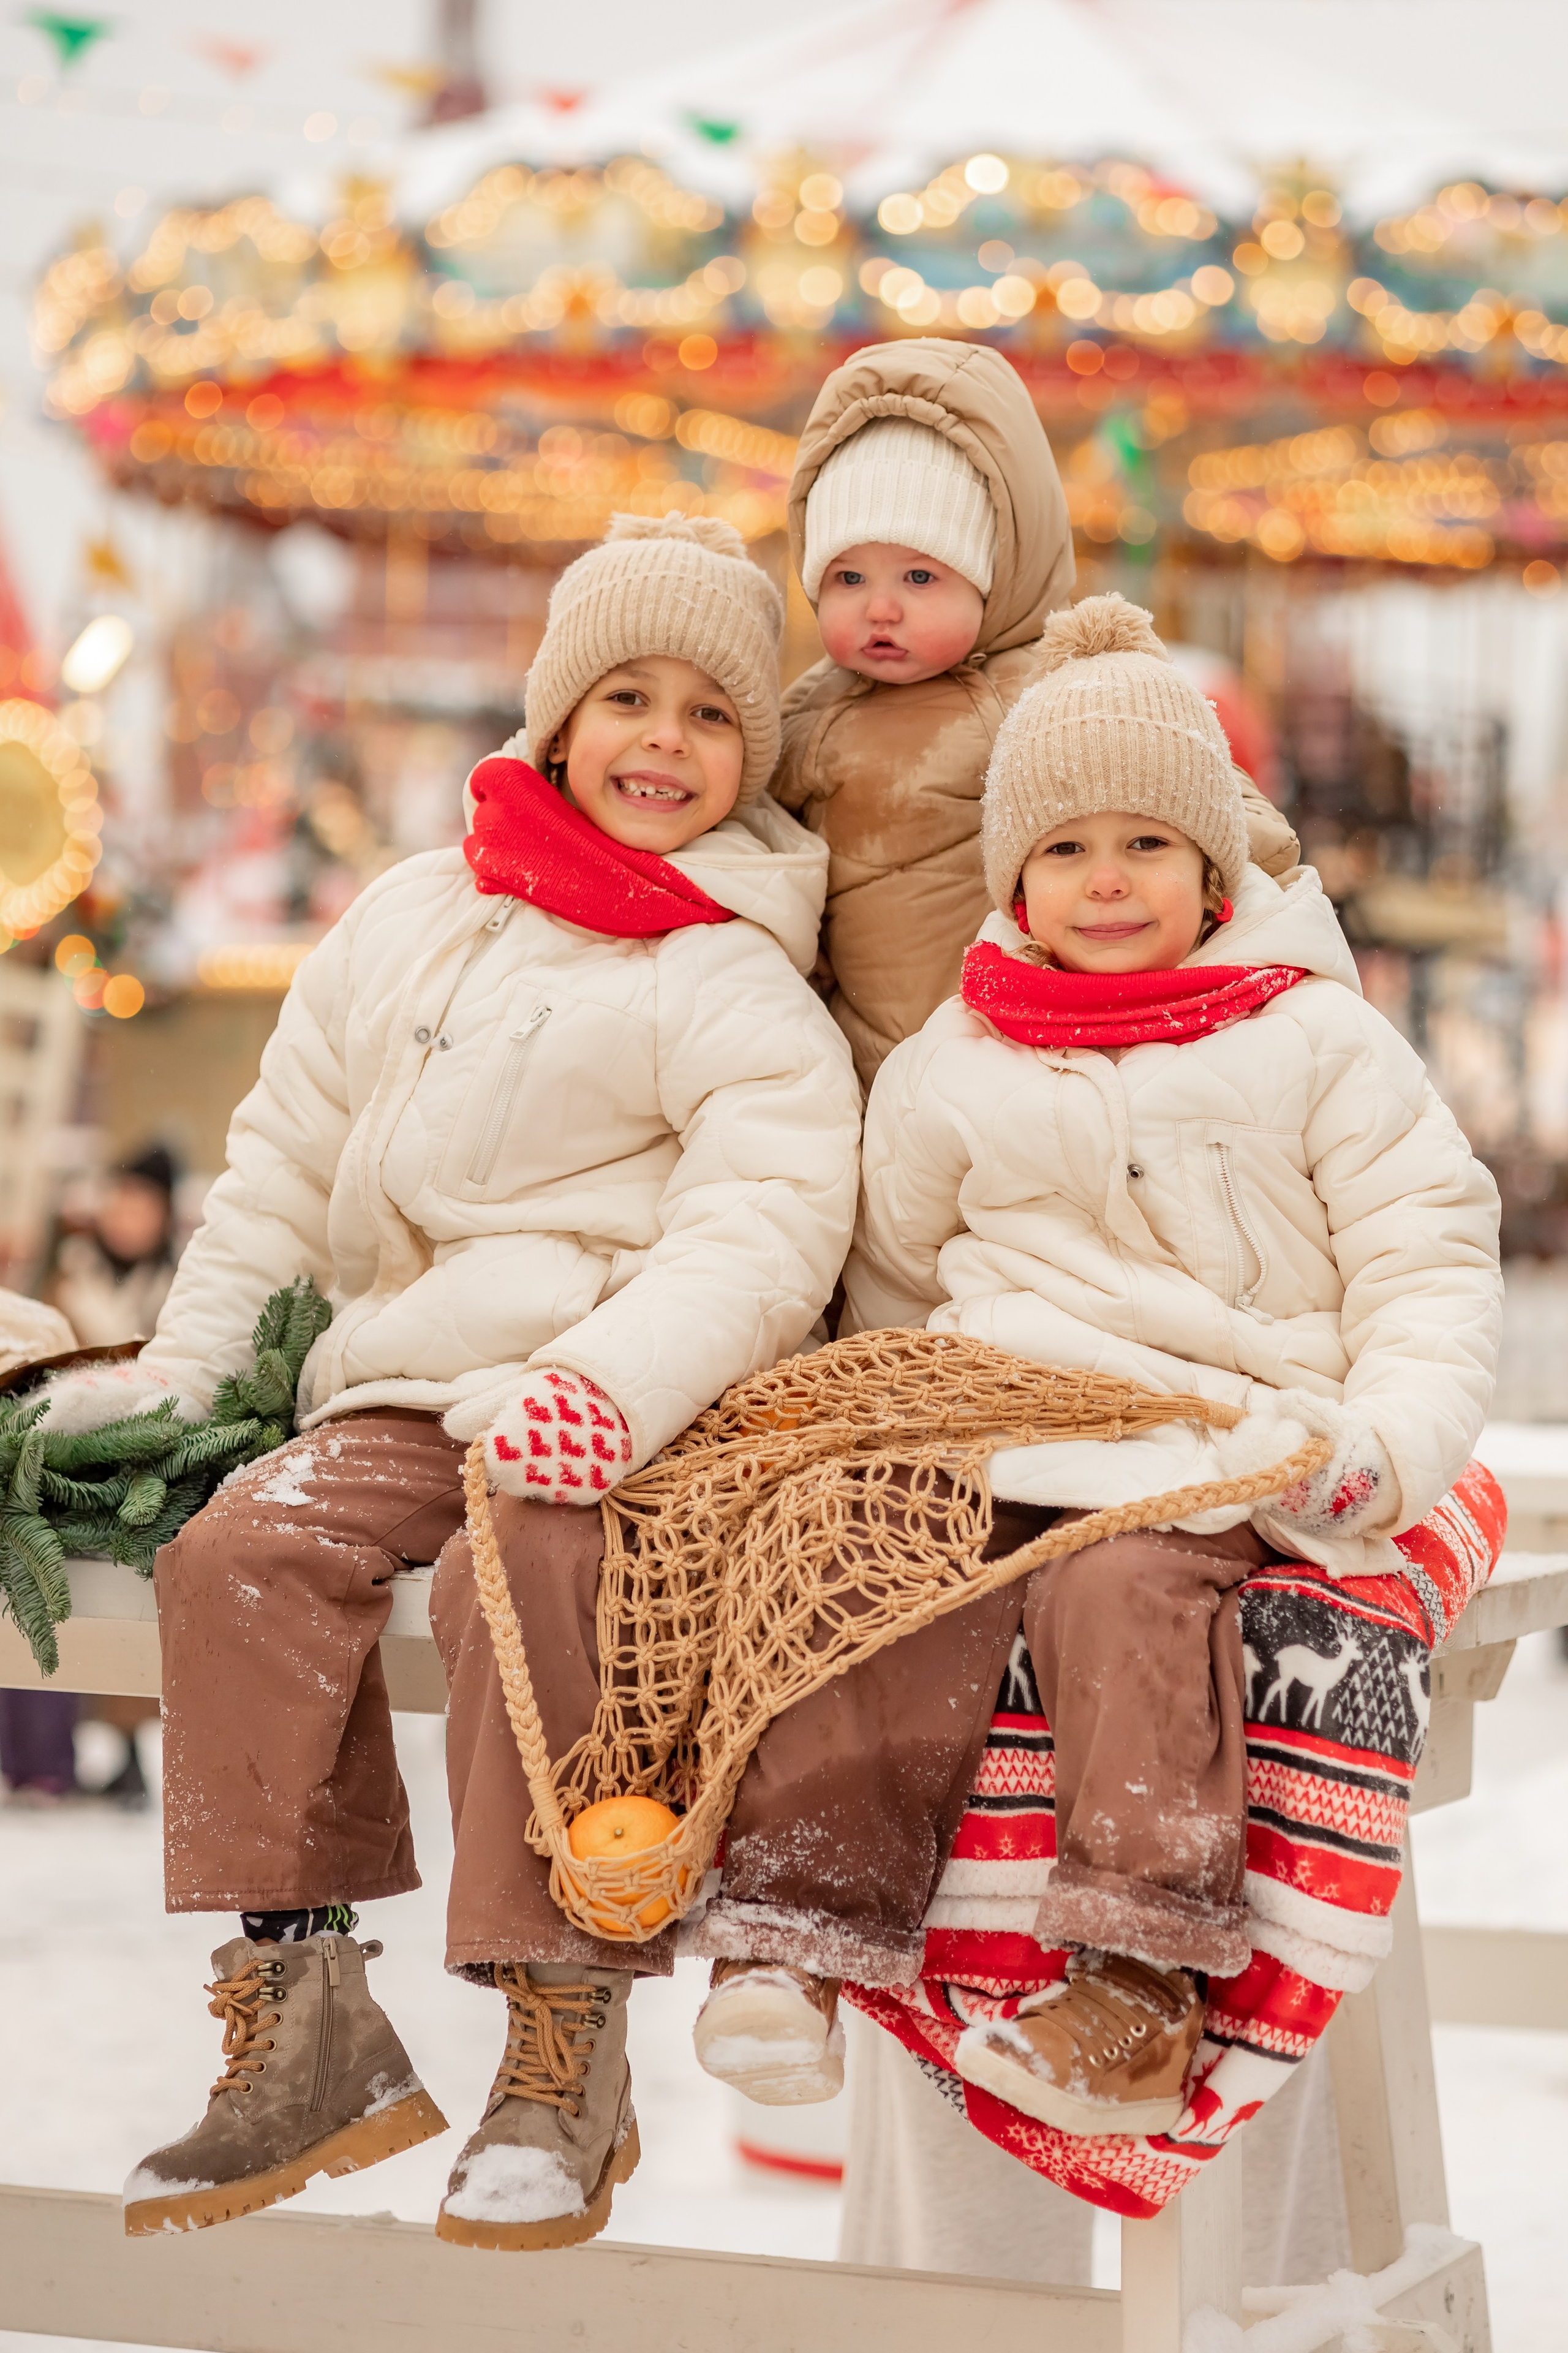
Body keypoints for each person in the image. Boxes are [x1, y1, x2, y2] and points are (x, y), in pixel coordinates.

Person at [31, 514, 861, 2245]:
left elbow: (763, 1224)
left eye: (712, 715)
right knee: (242, 1555)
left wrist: (613, 1381)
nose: (663, 741)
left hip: (602, 1397)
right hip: (396, 1382)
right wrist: (194, 1371)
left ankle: (565, 2040)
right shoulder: (418, 914)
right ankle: (305, 2003)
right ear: (555, 717)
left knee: (520, 1587)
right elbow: (278, 1166)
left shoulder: (729, 970)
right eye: (625, 696)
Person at [689, 593, 1501, 2145]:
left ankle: (1139, 1969)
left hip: (1217, 1421)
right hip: (1006, 1409)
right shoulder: (961, 1053)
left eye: (1144, 845)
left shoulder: (1314, 1042)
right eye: (1062, 849)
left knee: (1118, 1589)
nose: (1103, 880)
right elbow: (898, 1266)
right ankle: (798, 1914)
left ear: (1212, 868)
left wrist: (1383, 1439)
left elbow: (1423, 1258)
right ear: (1012, 876)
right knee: (862, 1558)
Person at [772, 338, 1300, 1090]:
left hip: (1034, 1048)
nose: (879, 607)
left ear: (997, 571)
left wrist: (1257, 863)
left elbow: (1200, 797)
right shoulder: (811, 715)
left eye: (920, 576)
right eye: (848, 576)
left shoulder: (1059, 691)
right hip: (864, 1066)